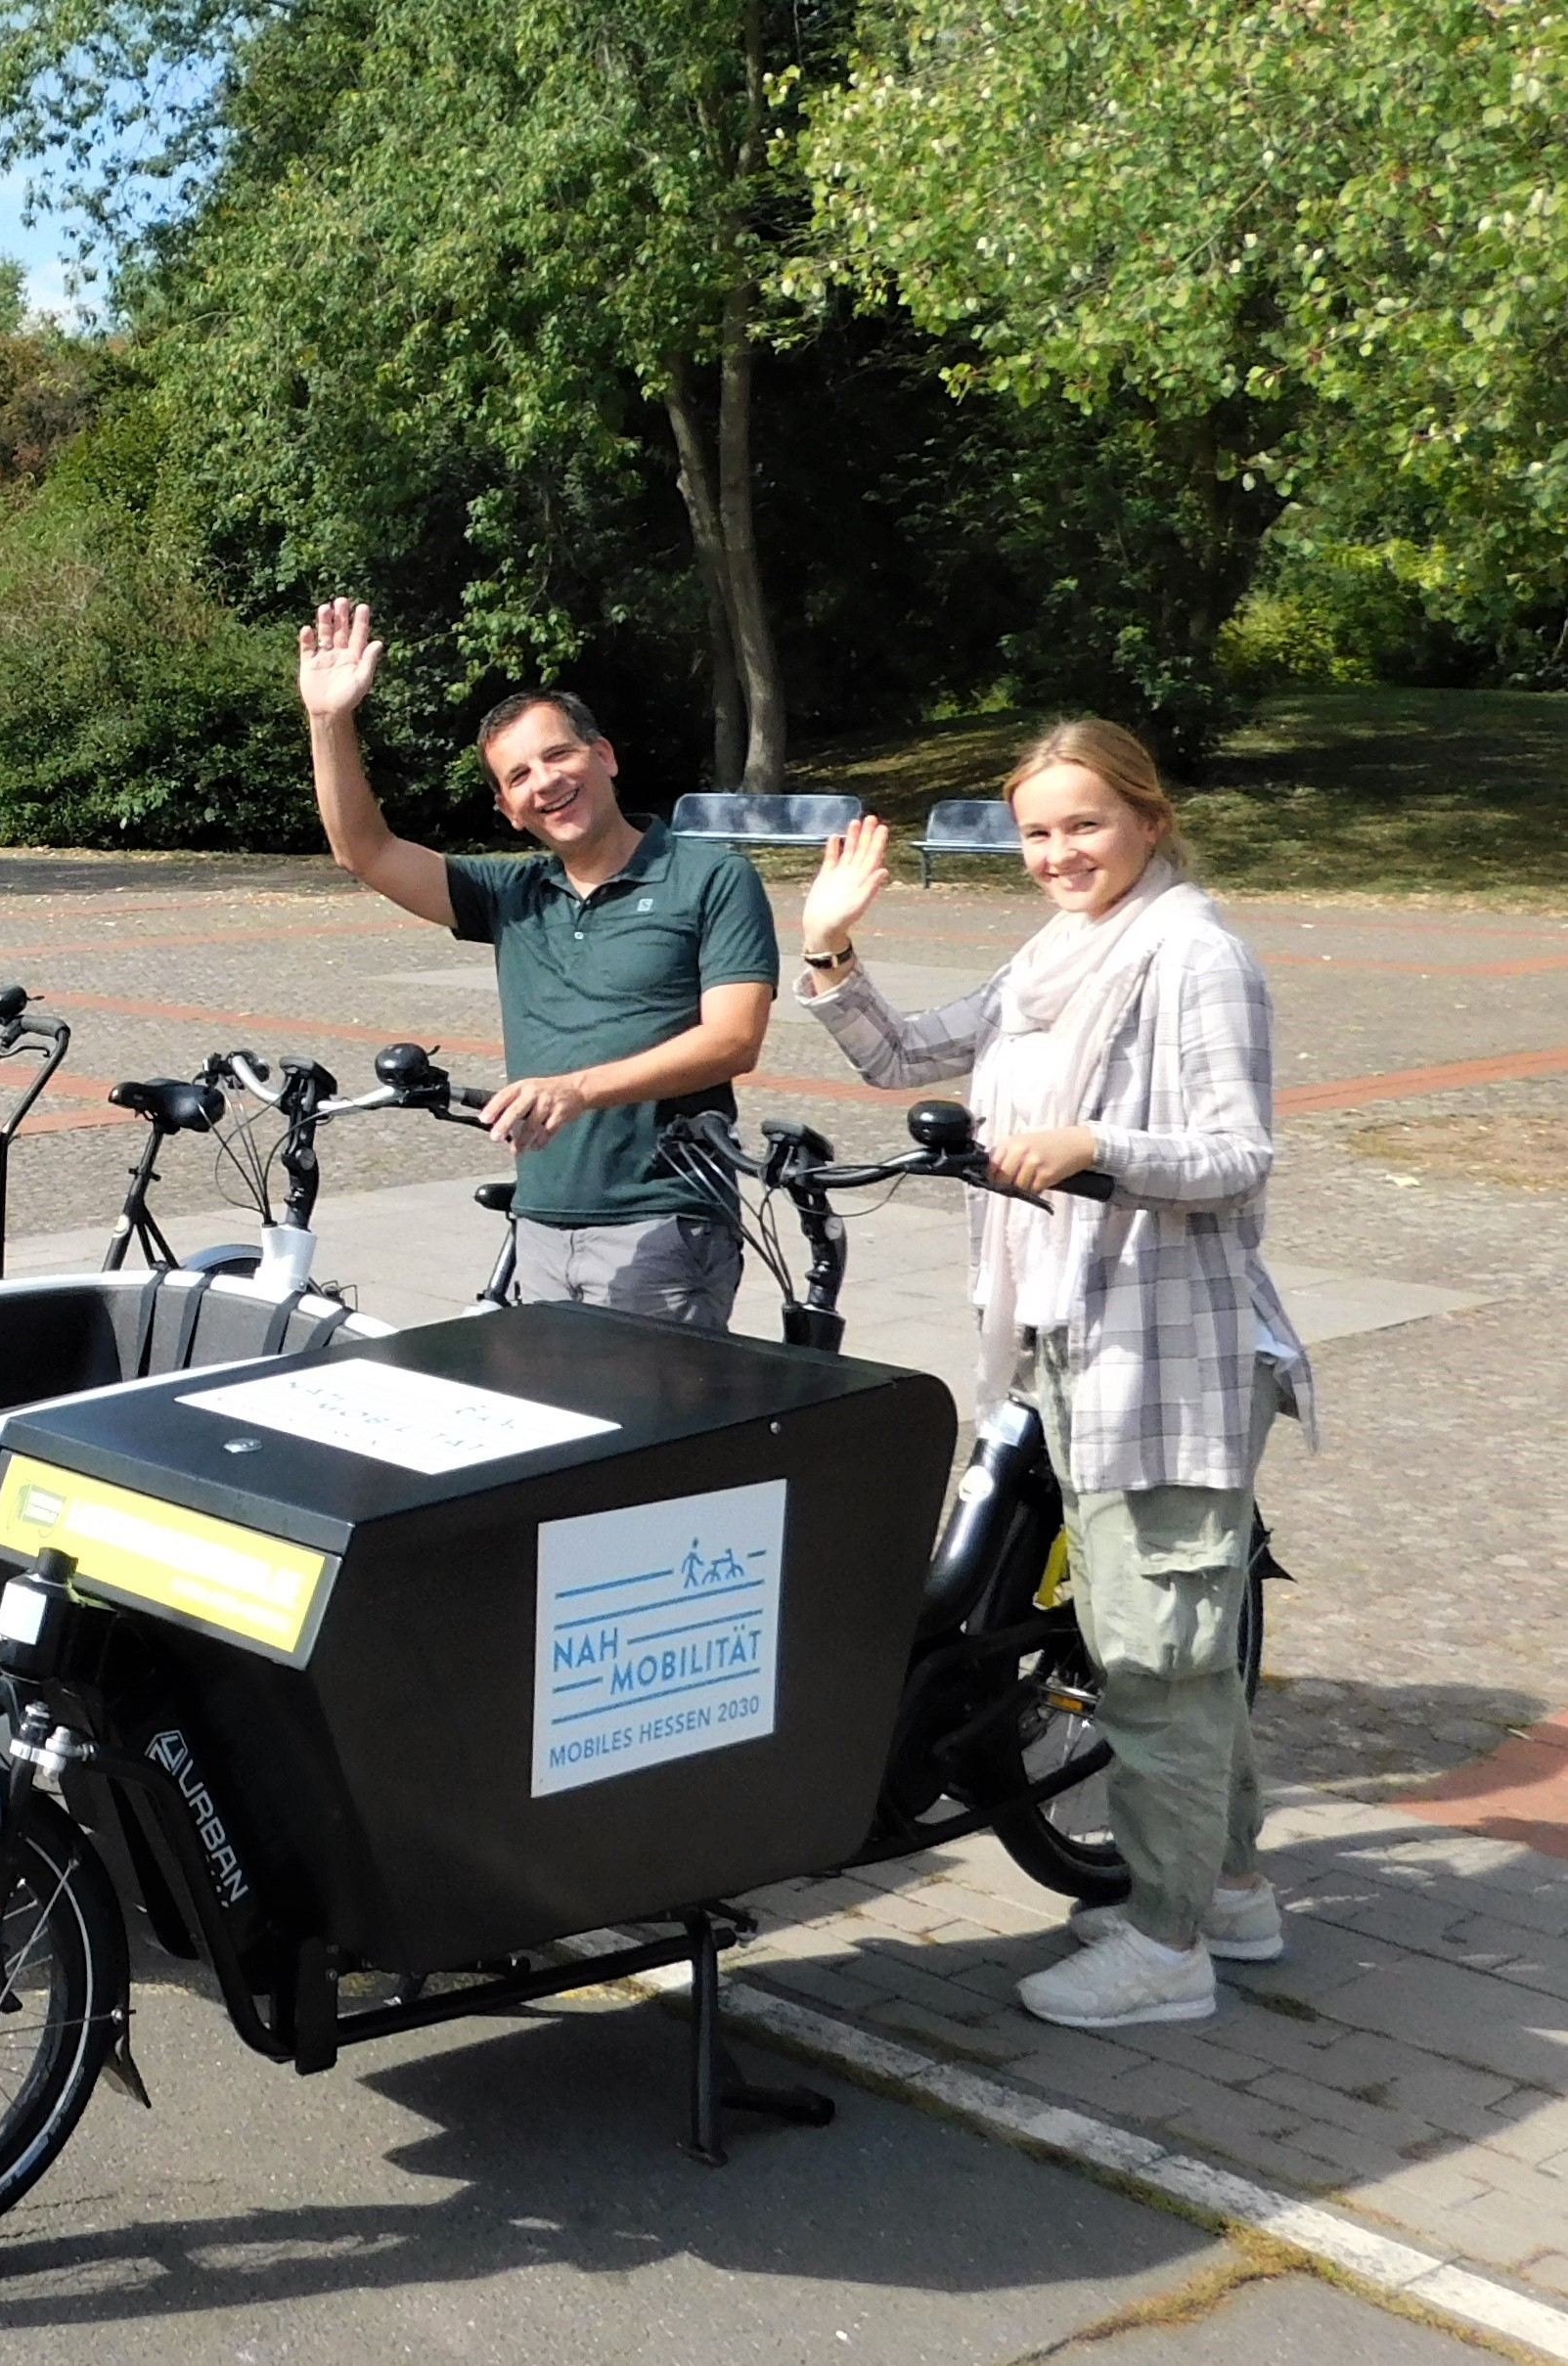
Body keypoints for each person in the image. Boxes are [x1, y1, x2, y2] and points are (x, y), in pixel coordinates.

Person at [796, 719, 1314, 2031]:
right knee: (1160, 1638)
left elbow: (1237, 1154)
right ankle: (1233, 1887)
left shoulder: (1193, 952)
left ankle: (1166, 1941)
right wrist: (832, 945)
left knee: (1154, 1652)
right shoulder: (1057, 952)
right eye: (1036, 831)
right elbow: (906, 1056)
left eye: (1084, 823)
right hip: (1067, 1331)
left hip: (1166, 1347)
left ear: (1147, 815)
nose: (1057, 852)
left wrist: (1094, 1142)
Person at [297, 598, 777, 1322]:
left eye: (559, 754)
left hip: (666, 1217)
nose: (545, 781)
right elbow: (363, 851)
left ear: (604, 755)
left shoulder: (710, 878)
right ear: (509, 810)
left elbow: (734, 1040)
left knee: (648, 1433)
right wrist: (330, 722)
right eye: (519, 776)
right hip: (543, 1216)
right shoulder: (513, 892)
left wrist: (580, 1088)